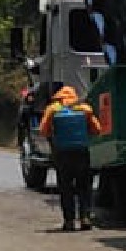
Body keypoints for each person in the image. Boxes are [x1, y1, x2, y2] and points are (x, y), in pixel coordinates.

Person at [39, 85, 102, 232]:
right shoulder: (84, 109)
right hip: (81, 152)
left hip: (62, 154)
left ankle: (69, 221)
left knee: (65, 188)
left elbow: (43, 130)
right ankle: (85, 217)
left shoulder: (53, 109)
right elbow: (97, 129)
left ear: (59, 96)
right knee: (84, 186)